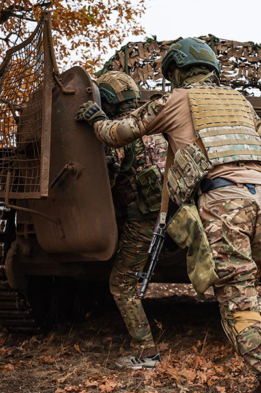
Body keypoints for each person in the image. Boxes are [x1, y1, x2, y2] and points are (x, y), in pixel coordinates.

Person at [76, 38, 261, 393]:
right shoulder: (238, 101)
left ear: (177, 71)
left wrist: (96, 117)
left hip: (224, 204)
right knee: (250, 294)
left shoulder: (176, 99)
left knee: (237, 308)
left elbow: (118, 133)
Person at [96, 71, 166, 370]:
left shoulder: (120, 133)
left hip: (142, 221)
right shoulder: (158, 129)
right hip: (172, 214)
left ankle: (147, 353)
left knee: (122, 284)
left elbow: (107, 179)